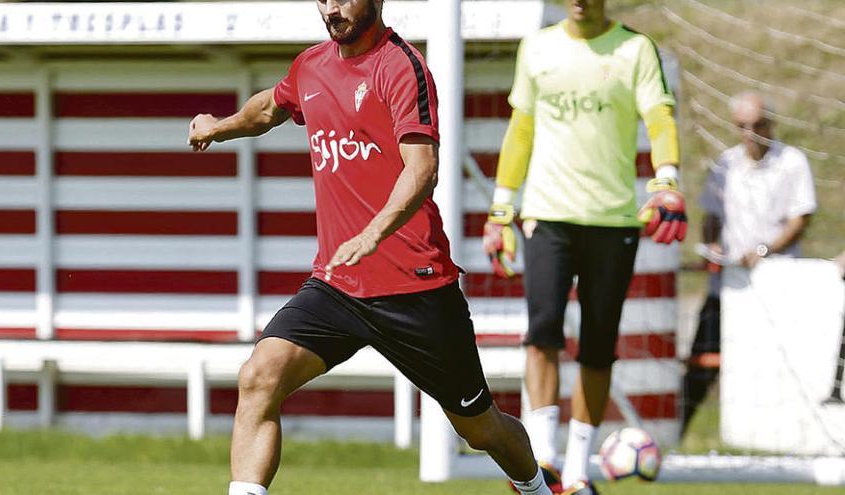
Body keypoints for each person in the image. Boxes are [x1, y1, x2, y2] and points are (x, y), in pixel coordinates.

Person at [188, 1, 558, 494]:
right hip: (337, 285)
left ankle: (537, 487)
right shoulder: (310, 66)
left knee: (479, 428)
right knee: (259, 377)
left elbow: (422, 168)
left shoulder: (403, 67)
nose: (331, 7)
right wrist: (221, 125)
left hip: (415, 289)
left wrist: (374, 232)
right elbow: (270, 108)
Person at [482, 0, 686, 493]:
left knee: (598, 347)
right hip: (547, 216)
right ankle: (543, 464)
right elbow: (521, 129)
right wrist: (501, 208)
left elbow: (658, 118)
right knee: (543, 333)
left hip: (612, 219)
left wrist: (668, 180)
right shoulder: (537, 46)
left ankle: (576, 474)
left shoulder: (636, 49)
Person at [683, 90, 817, 431]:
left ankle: (788, 433)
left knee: (779, 366)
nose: (750, 133)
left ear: (771, 124)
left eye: (757, 125)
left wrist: (763, 252)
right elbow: (710, 213)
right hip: (727, 286)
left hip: (776, 284)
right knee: (702, 364)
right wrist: (712, 244)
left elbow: (800, 218)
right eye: (742, 126)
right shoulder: (726, 163)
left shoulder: (792, 162)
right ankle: (676, 436)